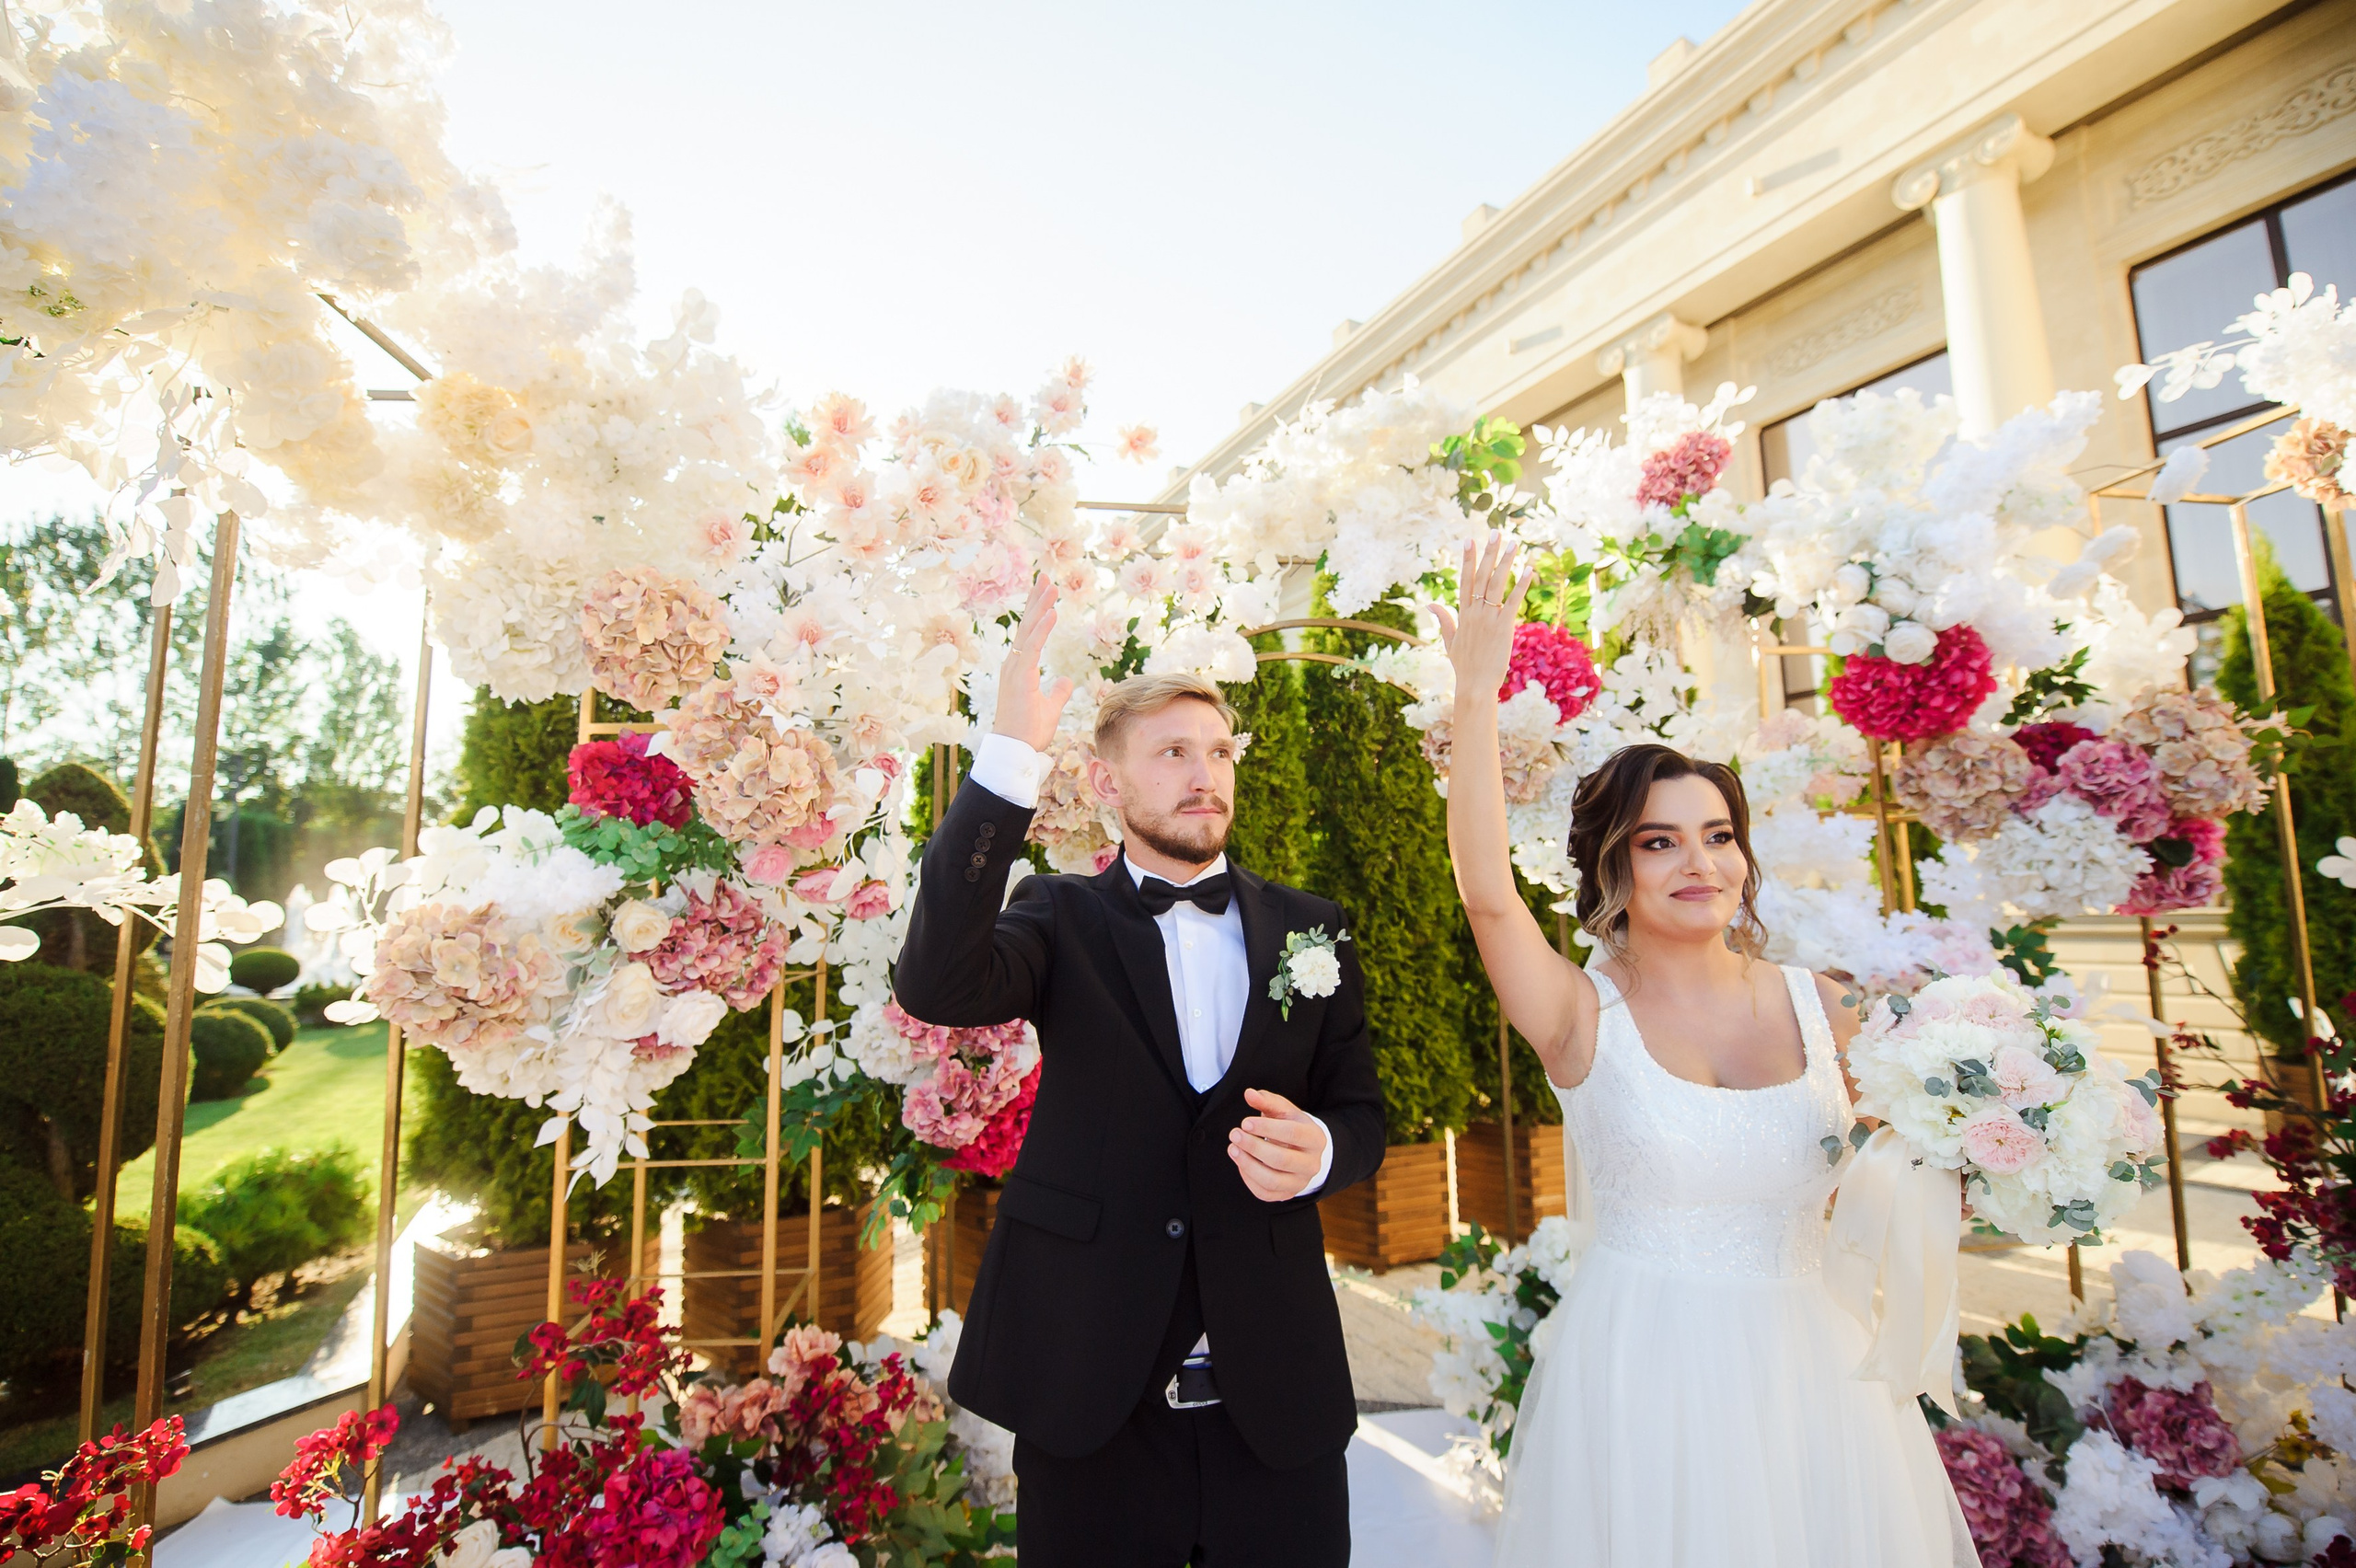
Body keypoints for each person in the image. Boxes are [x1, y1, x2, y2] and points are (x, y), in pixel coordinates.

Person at [1434, 534, 1978, 1568]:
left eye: (1718, 834)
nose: (1699, 861)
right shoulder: (1577, 1015)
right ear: (1613, 865)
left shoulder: (1829, 1006)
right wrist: (1476, 701)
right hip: (1643, 1373)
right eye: (1659, 839)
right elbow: (1485, 891)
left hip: (1812, 1375)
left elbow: (1914, 1162)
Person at [893, 574, 1385, 1568]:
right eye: (1171, 754)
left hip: (1274, 1391)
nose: (1204, 774)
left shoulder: (1311, 927)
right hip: (1092, 1387)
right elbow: (938, 982)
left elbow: (1363, 1111)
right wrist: (1007, 763)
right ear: (1109, 783)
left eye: (1217, 753)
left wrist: (1324, 1150)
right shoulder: (1057, 916)